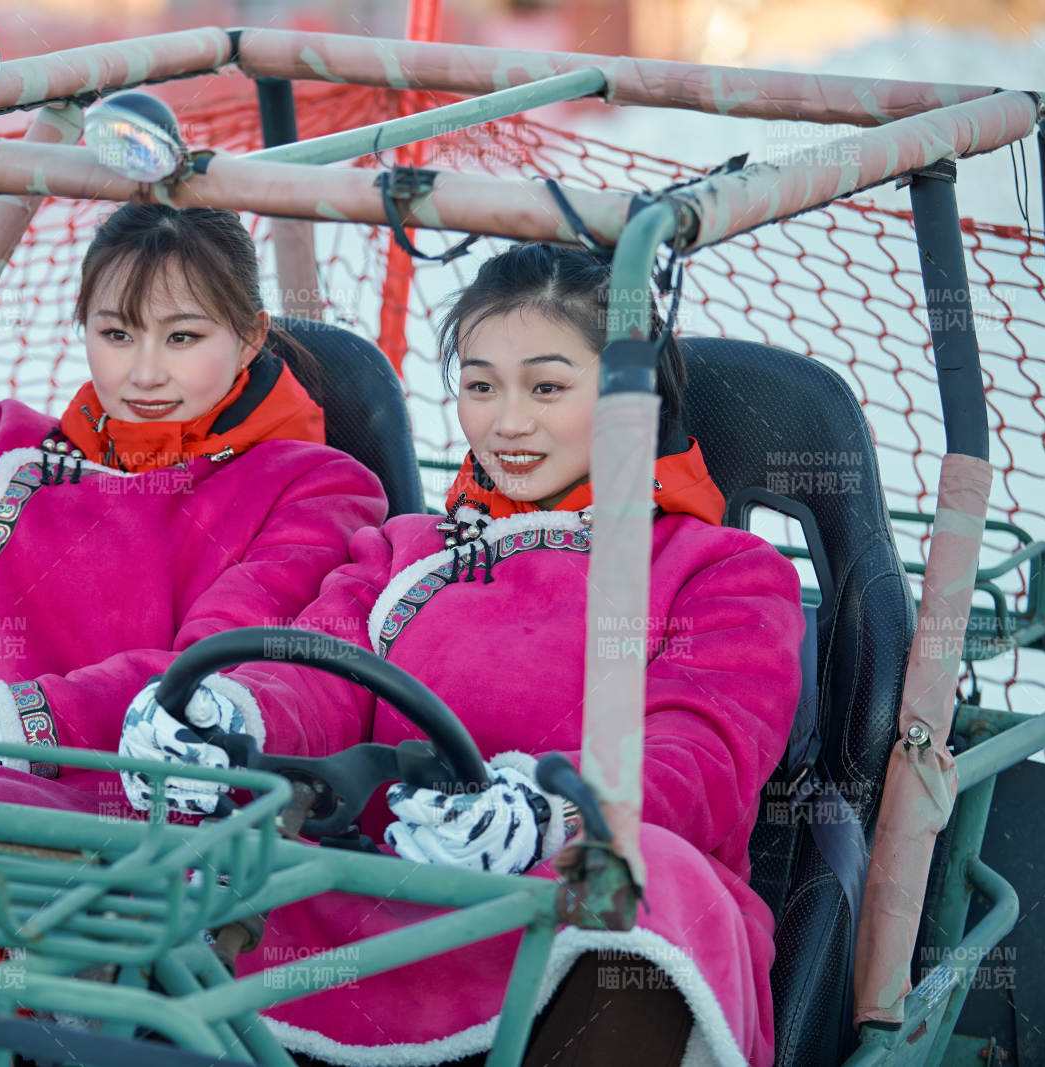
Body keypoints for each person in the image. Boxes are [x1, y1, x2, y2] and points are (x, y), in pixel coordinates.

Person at [120, 243, 804, 1067]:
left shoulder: (720, 570)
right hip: (384, 899)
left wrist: (548, 815)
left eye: (547, 387)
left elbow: (703, 754)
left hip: (572, 929)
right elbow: (318, 671)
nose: (507, 423)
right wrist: (231, 711)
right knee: (204, 842)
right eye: (481, 386)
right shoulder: (409, 552)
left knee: (640, 870)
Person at [0, 26, 387, 793]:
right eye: (116, 334)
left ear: (247, 339)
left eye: (182, 337)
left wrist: (6, 727)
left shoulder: (312, 489)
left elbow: (209, 678)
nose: (144, 371)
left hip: (155, 828)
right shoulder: (22, 465)